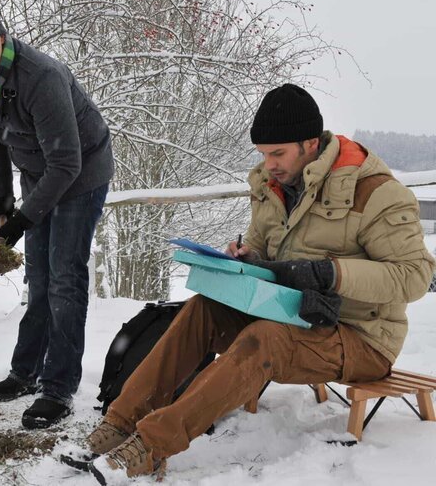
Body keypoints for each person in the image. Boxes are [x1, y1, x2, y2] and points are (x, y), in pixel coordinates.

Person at [85, 83, 436, 483]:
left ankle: (151, 446)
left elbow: (415, 277)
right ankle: (120, 421)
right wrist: (247, 256)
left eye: (277, 153)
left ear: (310, 144)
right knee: (203, 309)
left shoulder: (374, 192)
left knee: (266, 338)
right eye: (262, 154)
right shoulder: (272, 186)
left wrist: (329, 273)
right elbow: (263, 245)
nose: (268, 164)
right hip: (294, 315)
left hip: (362, 337)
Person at [0, 0, 115, 428]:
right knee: (38, 276)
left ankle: (57, 389)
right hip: (39, 171)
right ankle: (26, 372)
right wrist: (3, 200)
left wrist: (24, 219)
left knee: (64, 277)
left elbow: (68, 164)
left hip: (80, 172)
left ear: (1, 38)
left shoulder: (42, 78)